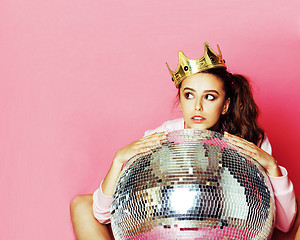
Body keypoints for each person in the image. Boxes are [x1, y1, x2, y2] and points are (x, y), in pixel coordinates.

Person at [70, 42, 298, 240]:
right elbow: (101, 213)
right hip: (170, 231)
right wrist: (119, 159)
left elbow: (285, 224)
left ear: (225, 105)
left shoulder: (250, 140)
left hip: (230, 233)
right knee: (81, 205)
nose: (197, 106)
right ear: (180, 100)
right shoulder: (159, 138)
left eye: (210, 97)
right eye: (189, 95)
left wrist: (271, 166)